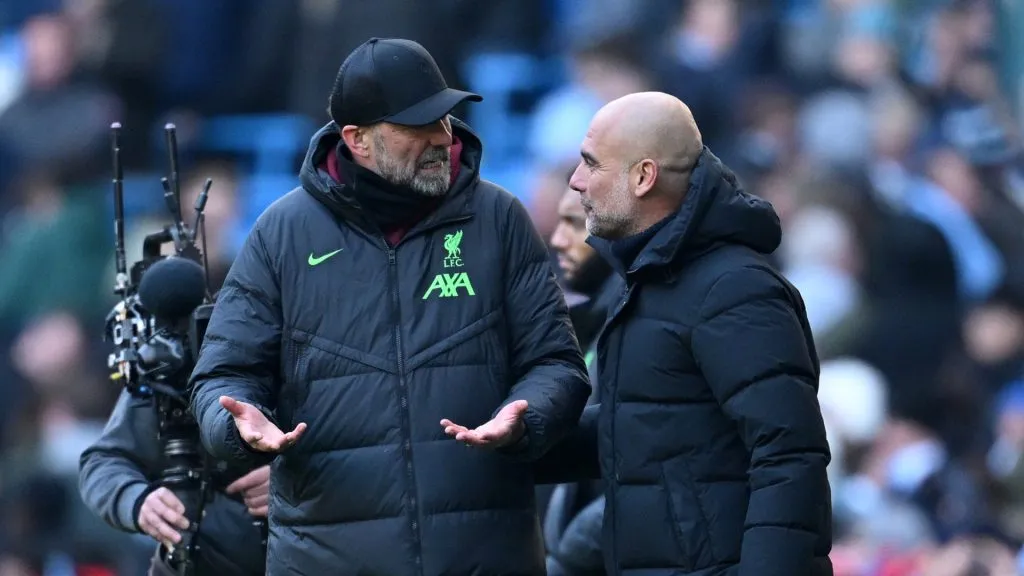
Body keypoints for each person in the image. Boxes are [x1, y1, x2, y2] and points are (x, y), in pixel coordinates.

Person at [188, 37, 590, 576]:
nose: (441, 137)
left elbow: (556, 363)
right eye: (417, 125)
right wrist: (237, 425)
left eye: (443, 119)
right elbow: (222, 377)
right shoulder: (281, 235)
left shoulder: (500, 219)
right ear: (356, 139)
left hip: (483, 556)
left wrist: (529, 412)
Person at [558, 91, 834, 575]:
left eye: (591, 163)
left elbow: (788, 458)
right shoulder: (648, 281)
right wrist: (526, 434)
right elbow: (651, 428)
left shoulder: (735, 289)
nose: (576, 181)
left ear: (643, 177)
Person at [80, 390, 268, 576]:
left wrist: (284, 480)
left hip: (278, 549)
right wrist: (136, 499)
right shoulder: (170, 375)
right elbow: (103, 462)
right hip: (197, 553)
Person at [542, 187, 619, 576]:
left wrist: (565, 560)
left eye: (574, 224)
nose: (558, 240)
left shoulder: (634, 327)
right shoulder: (593, 326)